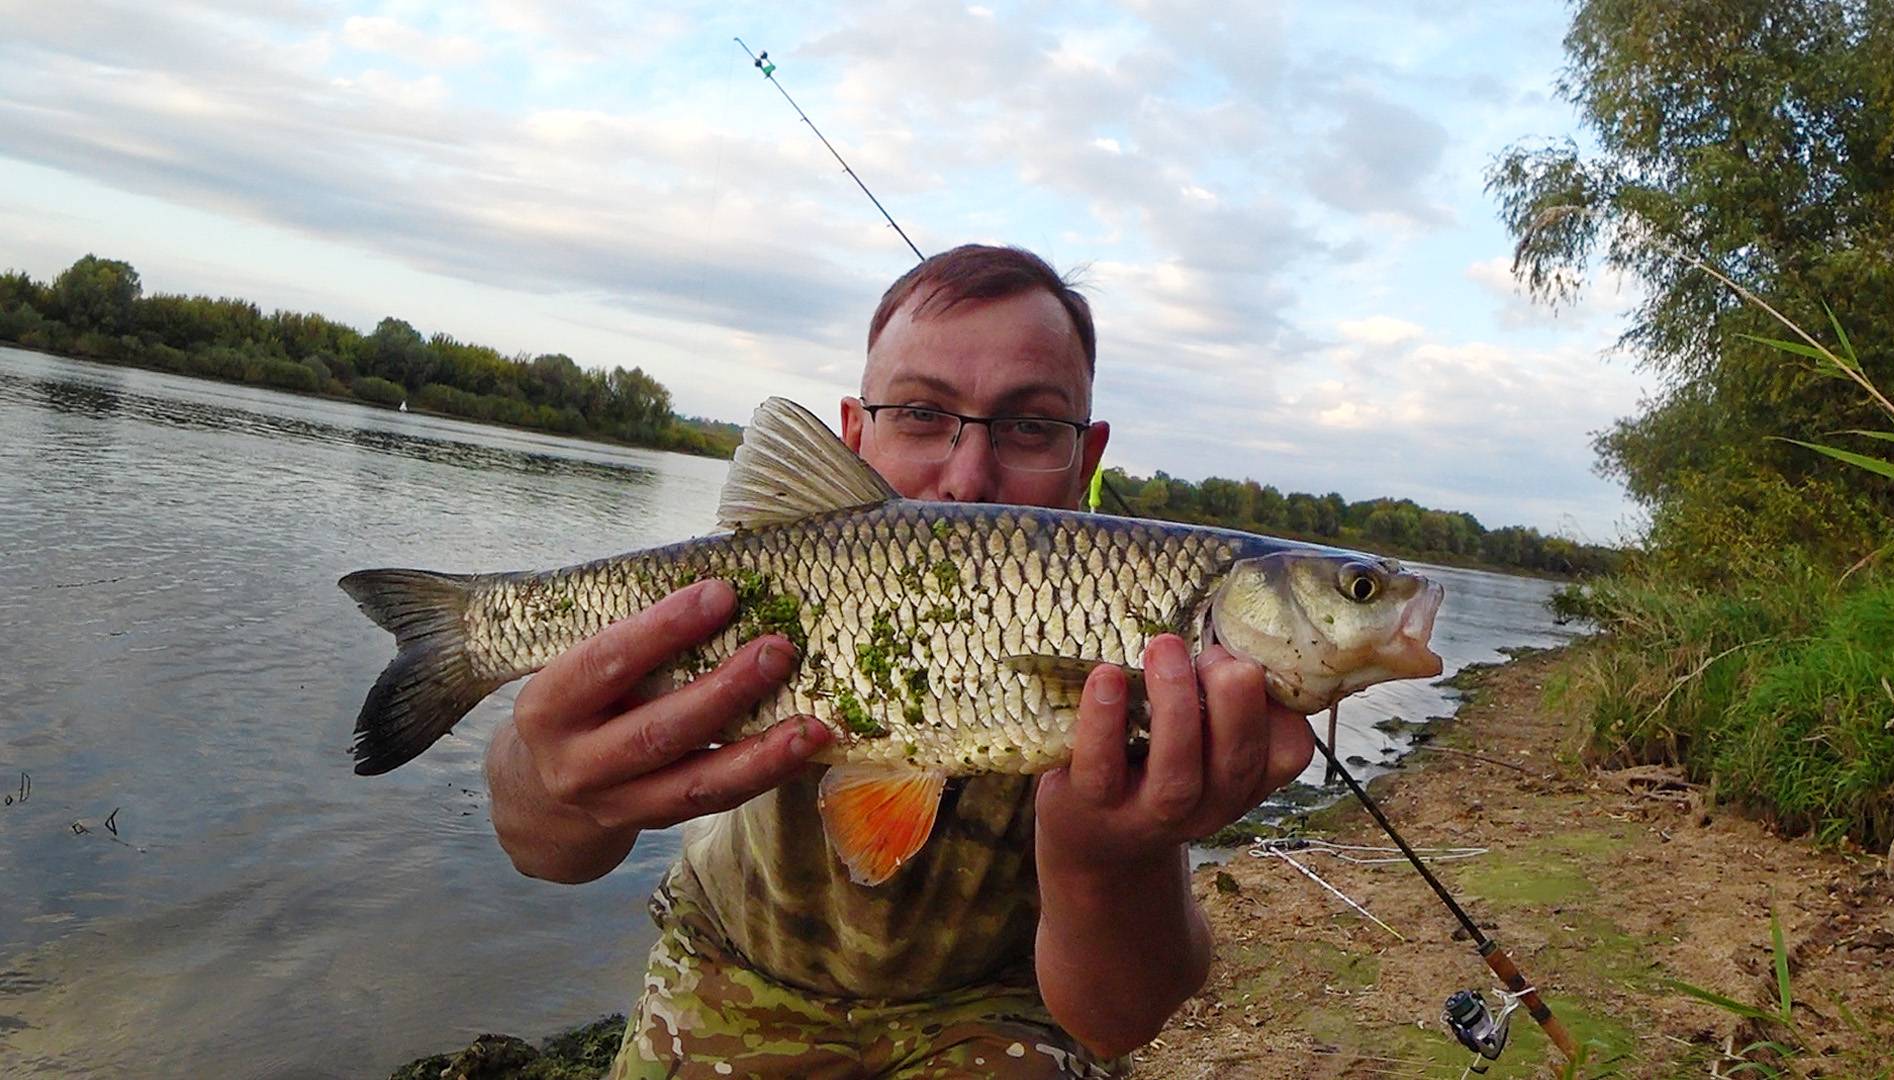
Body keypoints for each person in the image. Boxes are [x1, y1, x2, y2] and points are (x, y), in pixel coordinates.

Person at [483, 244, 1316, 1078]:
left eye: (1030, 425)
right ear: (852, 433)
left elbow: (1118, 1018)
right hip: (729, 960)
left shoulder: (1155, 645)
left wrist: (1110, 859)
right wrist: (550, 769)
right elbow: (547, 855)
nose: (968, 475)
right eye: (921, 413)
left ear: (1085, 459)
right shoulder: (738, 592)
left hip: (999, 994)